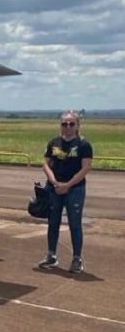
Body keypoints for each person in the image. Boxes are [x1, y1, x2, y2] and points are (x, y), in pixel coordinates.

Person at [37, 111, 93, 273]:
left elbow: (86, 168)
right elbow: (45, 164)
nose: (67, 127)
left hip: (75, 189)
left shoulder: (83, 145)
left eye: (71, 124)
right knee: (52, 222)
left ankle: (77, 258)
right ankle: (51, 255)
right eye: (64, 124)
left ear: (77, 126)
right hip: (54, 188)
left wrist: (67, 185)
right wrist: (54, 182)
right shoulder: (54, 142)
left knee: (75, 224)